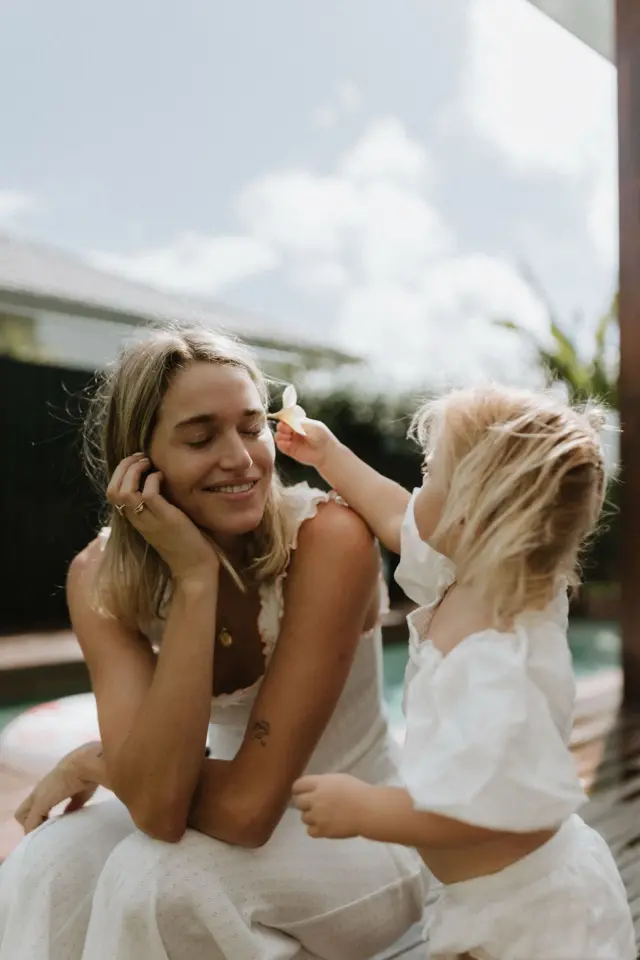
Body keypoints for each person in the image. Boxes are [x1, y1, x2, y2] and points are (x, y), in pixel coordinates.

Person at [0, 324, 425, 960]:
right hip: (215, 810)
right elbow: (156, 805)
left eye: (252, 428)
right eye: (201, 437)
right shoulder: (100, 577)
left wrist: (97, 762)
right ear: (137, 459)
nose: (240, 458)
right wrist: (195, 580)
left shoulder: (329, 538)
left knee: (164, 880)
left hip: (365, 834)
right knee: (51, 858)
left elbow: (249, 810)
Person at [275, 384, 636, 960]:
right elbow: (397, 515)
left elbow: (487, 812)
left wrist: (367, 810)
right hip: (494, 896)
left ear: (473, 518)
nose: (418, 488)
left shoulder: (497, 656)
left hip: (531, 917)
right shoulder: (474, 574)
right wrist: (328, 454)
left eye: (431, 474)